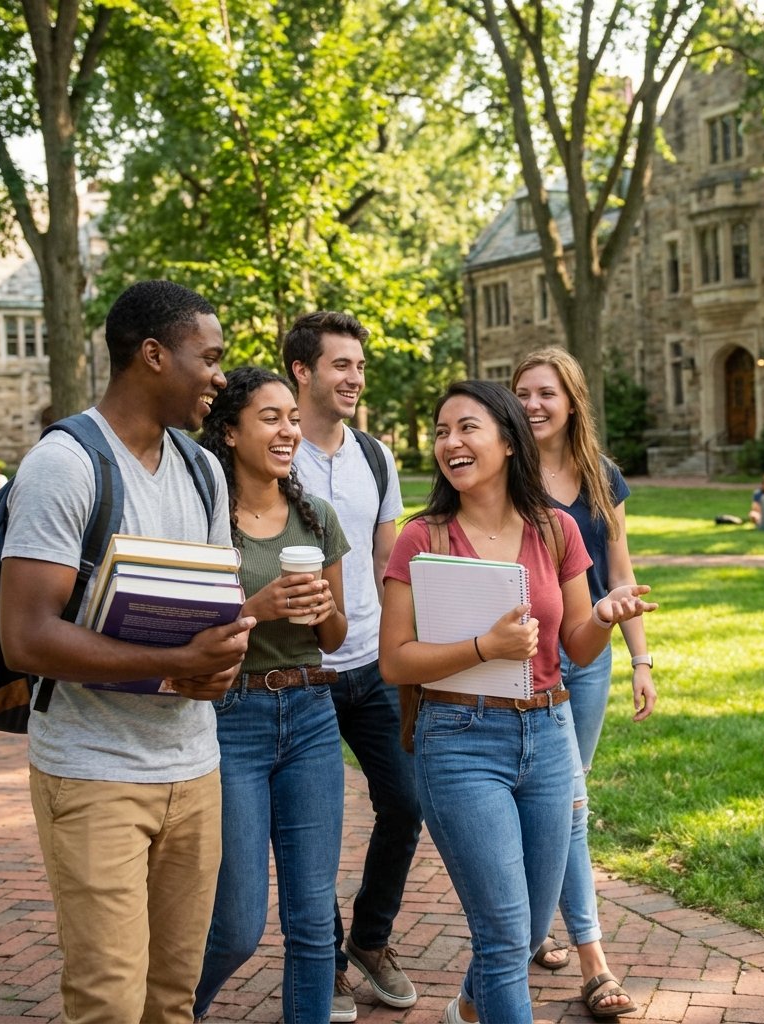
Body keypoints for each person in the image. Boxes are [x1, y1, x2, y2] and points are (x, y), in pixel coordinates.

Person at [0, 279, 255, 1024]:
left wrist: (221, 658)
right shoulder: (65, 464)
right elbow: (26, 636)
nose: (220, 376)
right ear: (152, 355)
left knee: (171, 999)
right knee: (109, 1001)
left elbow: (211, 604)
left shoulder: (205, 470)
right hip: (93, 773)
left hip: (193, 771)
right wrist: (174, 663)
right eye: (208, 358)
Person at [379, 380, 657, 1024]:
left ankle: (470, 1009)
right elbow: (396, 661)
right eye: (442, 431)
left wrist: (609, 616)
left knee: (528, 932)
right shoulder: (421, 538)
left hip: (550, 732)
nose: (451, 442)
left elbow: (579, 649)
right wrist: (484, 646)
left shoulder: (557, 530)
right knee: (504, 938)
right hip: (459, 740)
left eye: (467, 428)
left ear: (507, 441)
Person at [194, 367, 350, 1024]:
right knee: (236, 921)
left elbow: (337, 636)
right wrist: (257, 605)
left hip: (312, 716)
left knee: (314, 921)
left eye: (292, 417)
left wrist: (318, 611)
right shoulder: (203, 521)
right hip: (233, 719)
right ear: (230, 431)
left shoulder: (318, 517)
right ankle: (167, 1011)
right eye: (270, 417)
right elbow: (189, 636)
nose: (288, 429)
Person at [282, 310, 422, 1022]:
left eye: (359, 367)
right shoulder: (270, 450)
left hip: (370, 663)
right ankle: (324, 960)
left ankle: (370, 938)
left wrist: (402, 651)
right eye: (341, 365)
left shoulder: (376, 454)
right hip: (301, 673)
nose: (355, 378)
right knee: (315, 827)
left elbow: (388, 559)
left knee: (406, 801)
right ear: (302, 371)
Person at [512, 348, 655, 1019]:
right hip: (530, 655)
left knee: (566, 801)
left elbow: (619, 565)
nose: (535, 405)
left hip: (589, 655)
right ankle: (595, 961)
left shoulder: (602, 476)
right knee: (565, 802)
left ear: (571, 400)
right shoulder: (506, 473)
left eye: (546, 393)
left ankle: (537, 922)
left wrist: (641, 660)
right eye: (523, 394)